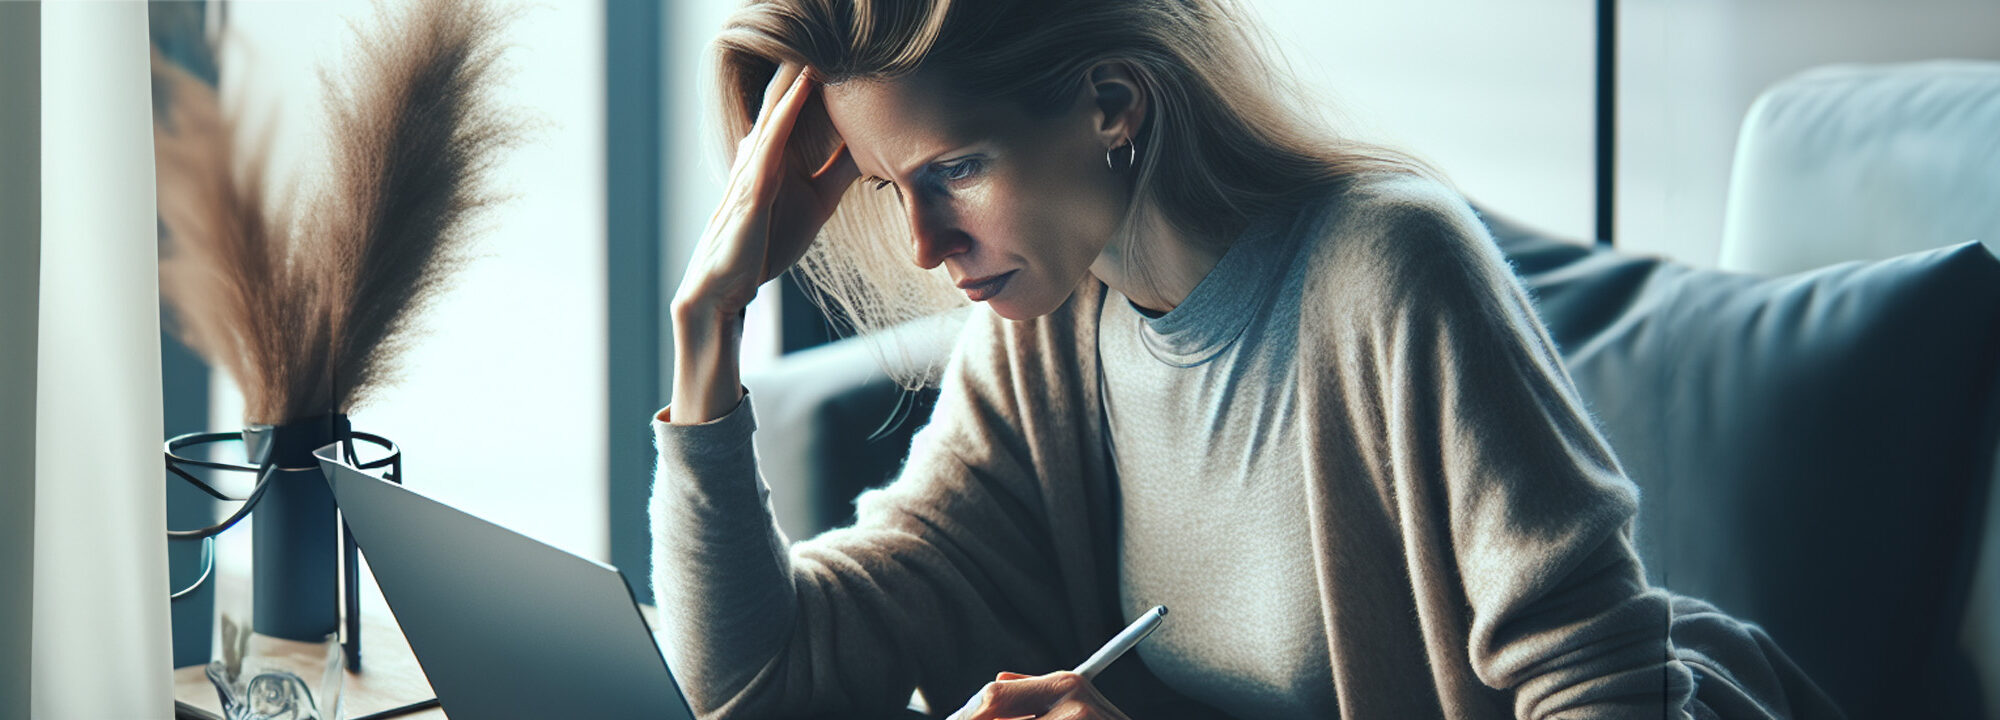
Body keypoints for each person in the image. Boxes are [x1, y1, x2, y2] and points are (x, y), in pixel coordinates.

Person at [651, 1, 1842, 718]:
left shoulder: (1391, 271)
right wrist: (709, 331)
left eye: (954, 170)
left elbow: (1608, 699)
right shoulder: (1052, 337)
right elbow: (756, 684)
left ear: (1112, 103)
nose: (920, 246)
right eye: (885, 187)